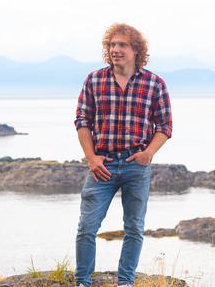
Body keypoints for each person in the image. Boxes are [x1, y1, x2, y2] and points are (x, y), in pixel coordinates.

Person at [74, 23, 173, 287]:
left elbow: (164, 126)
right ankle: (82, 282)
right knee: (87, 228)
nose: (115, 50)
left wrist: (148, 153)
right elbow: (82, 120)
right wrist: (91, 158)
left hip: (135, 166)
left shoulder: (154, 84)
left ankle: (125, 283)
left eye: (122, 45)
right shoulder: (94, 80)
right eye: (112, 45)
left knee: (134, 228)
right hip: (101, 165)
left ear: (136, 50)